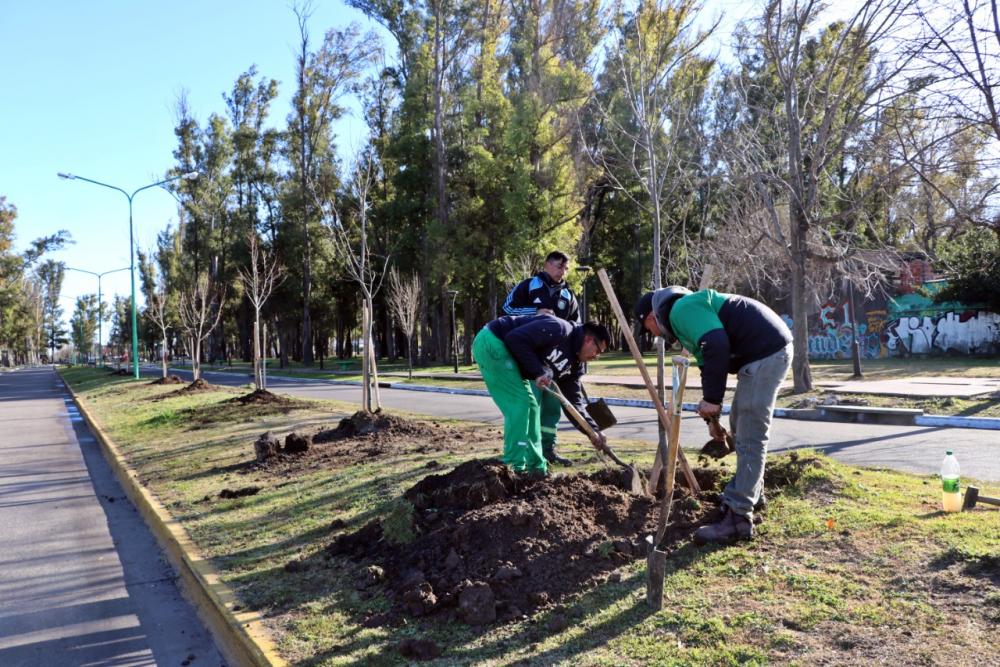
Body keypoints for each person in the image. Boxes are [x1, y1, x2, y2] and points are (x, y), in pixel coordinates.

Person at [635, 287, 792, 543]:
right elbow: (708, 363)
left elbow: (716, 344)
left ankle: (739, 517)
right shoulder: (687, 316)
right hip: (765, 353)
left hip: (766, 352)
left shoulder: (681, 309)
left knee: (750, 433)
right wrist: (712, 422)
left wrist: (712, 400)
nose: (654, 336)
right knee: (740, 425)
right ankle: (752, 494)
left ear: (651, 317)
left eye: (648, 329)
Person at [472, 314, 611, 475]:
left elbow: (573, 403)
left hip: (507, 353)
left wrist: (592, 431)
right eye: (598, 350)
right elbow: (515, 339)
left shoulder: (575, 366)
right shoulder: (559, 329)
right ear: (588, 339)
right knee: (521, 403)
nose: (596, 356)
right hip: (492, 341)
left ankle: (536, 467)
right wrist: (538, 371)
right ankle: (513, 467)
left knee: (532, 407)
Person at [502, 251, 581, 466]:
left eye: (565, 268)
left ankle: (549, 449)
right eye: (558, 267)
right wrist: (536, 312)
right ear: (546, 264)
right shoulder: (529, 286)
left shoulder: (568, 296)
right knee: (531, 405)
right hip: (530, 359)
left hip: (556, 363)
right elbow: (507, 308)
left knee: (552, 408)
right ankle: (528, 451)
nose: (562, 272)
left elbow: (577, 327)